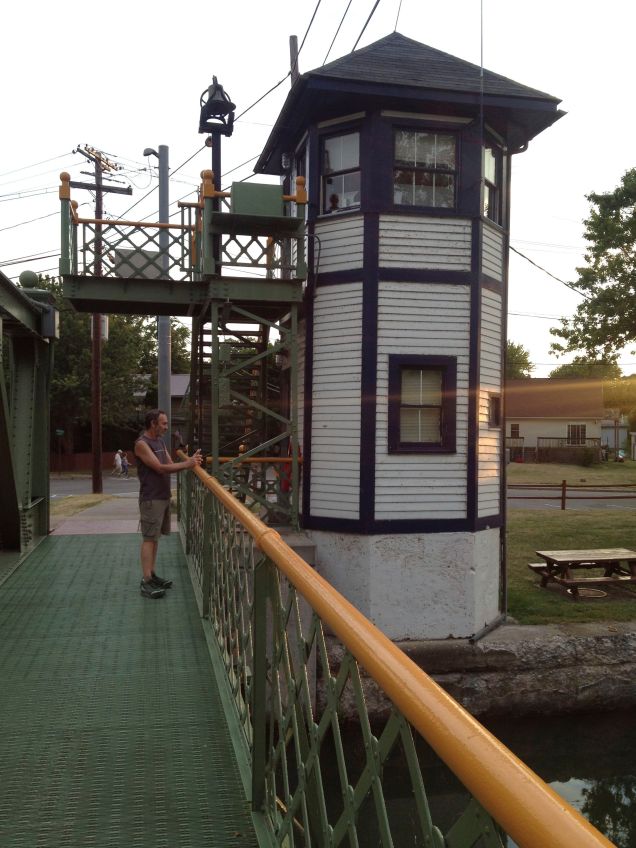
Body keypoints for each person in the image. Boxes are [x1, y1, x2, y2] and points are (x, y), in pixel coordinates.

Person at [134, 409, 202, 599]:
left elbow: (171, 463)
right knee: (149, 538)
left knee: (155, 538)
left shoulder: (160, 442)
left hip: (163, 496)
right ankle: (146, 580)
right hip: (151, 498)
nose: (166, 427)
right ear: (153, 423)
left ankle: (152, 573)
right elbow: (160, 468)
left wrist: (189, 461)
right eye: (163, 423)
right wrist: (187, 464)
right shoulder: (142, 444)